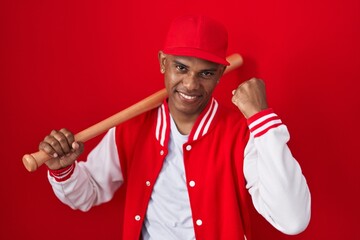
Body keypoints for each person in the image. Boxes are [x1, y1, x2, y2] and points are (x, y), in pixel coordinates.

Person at [40, 15, 311, 240]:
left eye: (205, 73)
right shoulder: (132, 126)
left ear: (219, 75)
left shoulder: (242, 134)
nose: (191, 84)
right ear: (162, 63)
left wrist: (261, 119)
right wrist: (64, 169)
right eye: (181, 68)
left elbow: (293, 219)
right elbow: (87, 194)